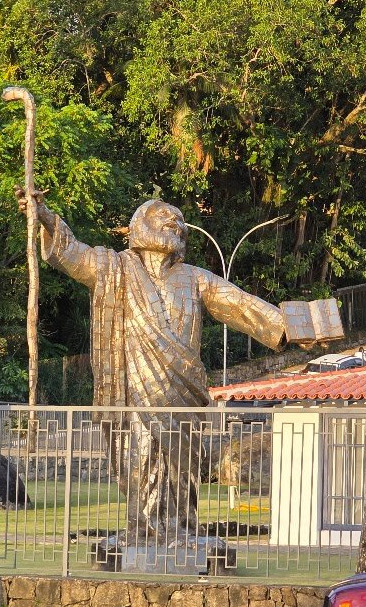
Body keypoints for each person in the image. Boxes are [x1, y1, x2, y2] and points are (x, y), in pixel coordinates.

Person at [16, 191, 287, 546]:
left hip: (180, 395)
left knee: (182, 463)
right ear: (140, 226)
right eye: (164, 216)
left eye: (178, 220)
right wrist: (46, 216)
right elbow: (71, 254)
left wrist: (289, 325)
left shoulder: (194, 278)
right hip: (135, 393)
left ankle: (182, 530)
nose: (175, 222)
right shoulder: (113, 268)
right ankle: (142, 532)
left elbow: (239, 303)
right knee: (140, 459)